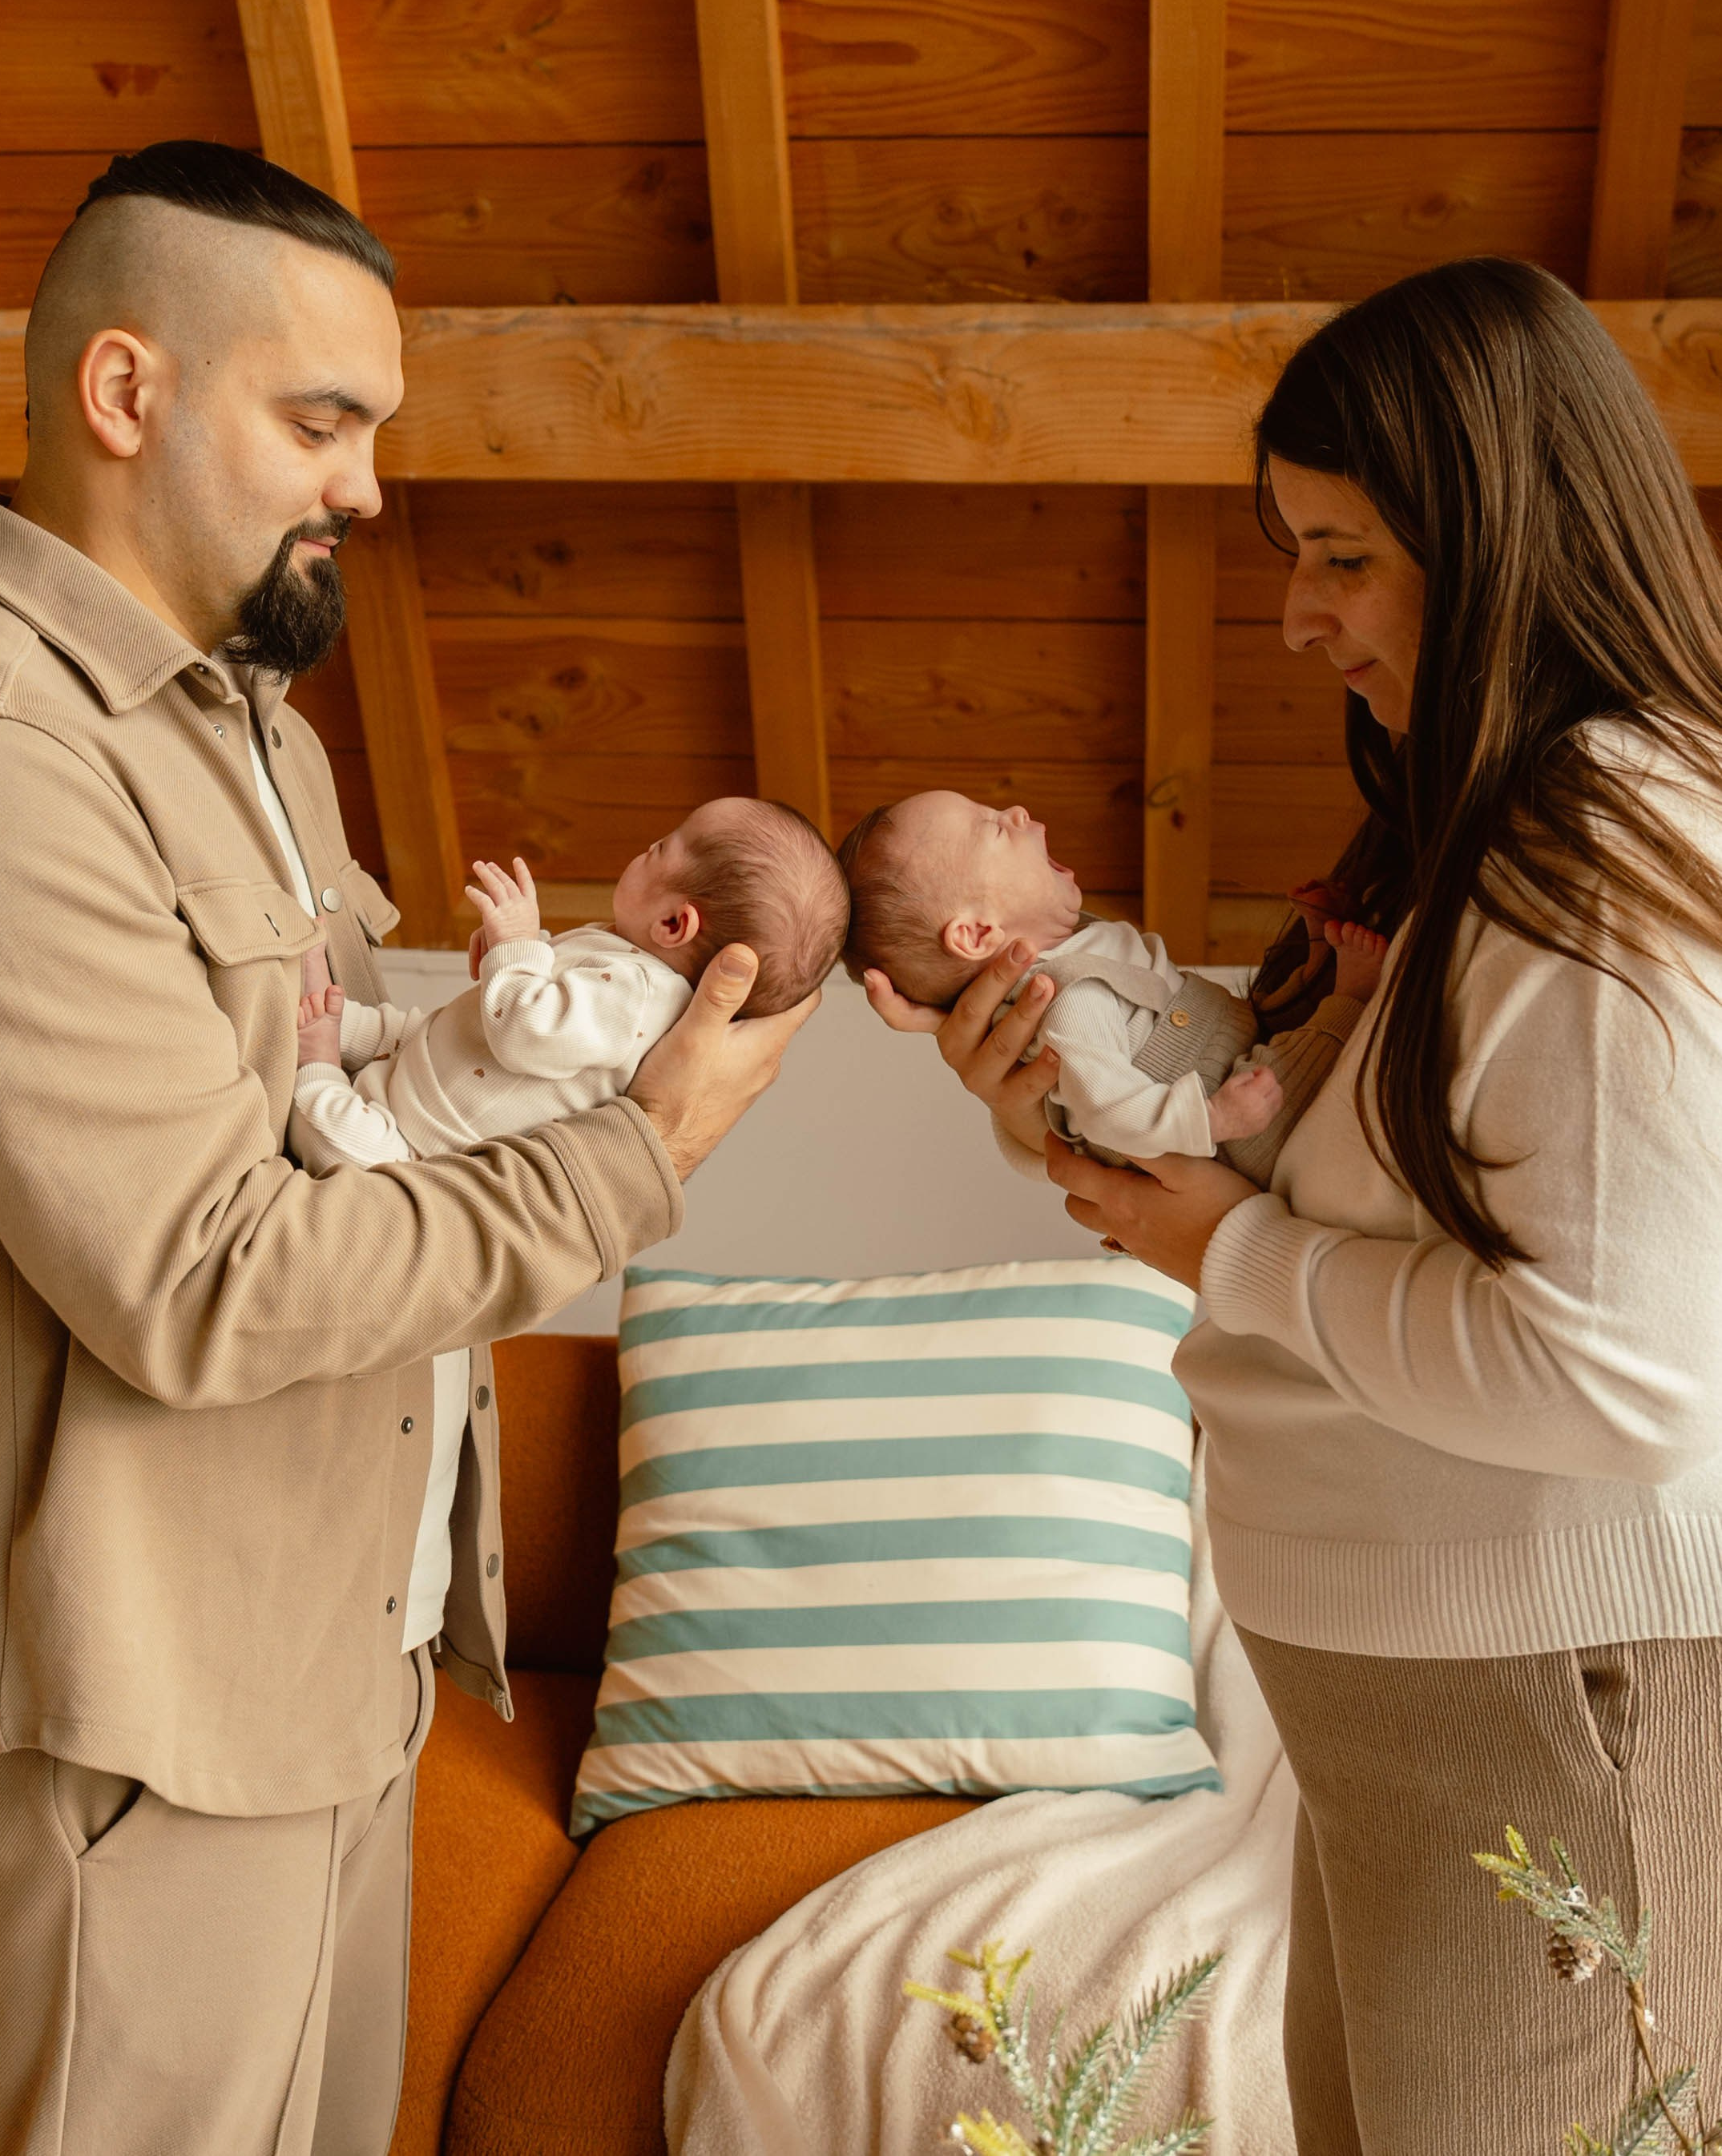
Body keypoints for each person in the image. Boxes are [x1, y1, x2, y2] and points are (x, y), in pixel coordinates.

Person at [0, 139, 817, 2156]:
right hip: (143, 1734)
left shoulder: (265, 728)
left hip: (336, 1693)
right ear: (125, 393)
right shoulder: (8, 747)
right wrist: (639, 1149)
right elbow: (201, 1276)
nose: (365, 483)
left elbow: (357, 1125)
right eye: (322, 420)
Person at [868, 257, 1722, 2152]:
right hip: (1426, 1719)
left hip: (1541, 1704)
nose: (1293, 618)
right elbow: (1333, 1177)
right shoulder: (1478, 838)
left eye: (1339, 554)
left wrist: (1219, 1249)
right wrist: (1066, 1129)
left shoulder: (1597, 852)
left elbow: (1621, 1375)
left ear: (1491, 536)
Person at [841, 784, 1385, 1183]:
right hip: (1248, 1133)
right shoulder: (1070, 1001)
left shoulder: (1080, 945)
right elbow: (1103, 1113)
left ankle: (1320, 961)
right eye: (991, 827)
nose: (1017, 811)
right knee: (1295, 1071)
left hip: (1237, 1047)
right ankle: (1352, 996)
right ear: (978, 931)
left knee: (1275, 1022)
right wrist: (1212, 1117)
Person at [291, 804, 849, 1173]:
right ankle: (332, 1023)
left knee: (344, 1147)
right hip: (427, 1061)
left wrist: (517, 944)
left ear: (676, 924)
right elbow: (546, 993)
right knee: (397, 1027)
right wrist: (510, 953)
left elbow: (524, 1031)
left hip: (422, 1145)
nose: (643, 849)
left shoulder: (643, 1000)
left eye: (659, 847)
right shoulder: (626, 956)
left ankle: (316, 1060)